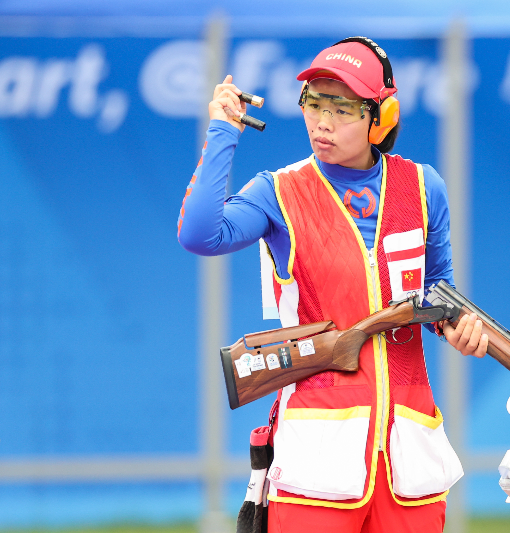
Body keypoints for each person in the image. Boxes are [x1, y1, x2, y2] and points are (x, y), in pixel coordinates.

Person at [178, 36, 487, 533]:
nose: (322, 122)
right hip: (317, 461)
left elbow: (437, 290)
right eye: (313, 103)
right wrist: (222, 131)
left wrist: (458, 327)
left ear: (380, 118)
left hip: (409, 458)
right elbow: (199, 234)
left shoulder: (423, 186)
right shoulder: (277, 191)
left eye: (342, 108)